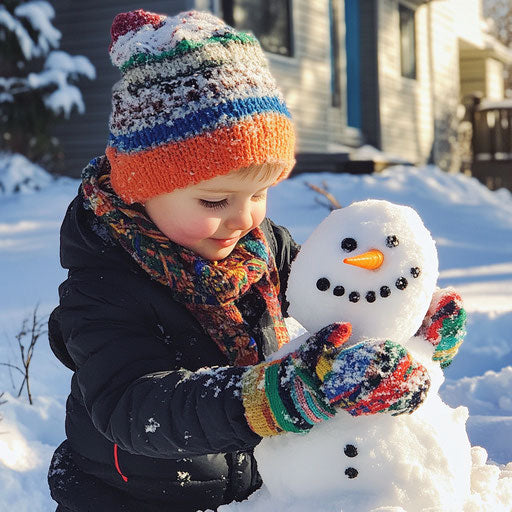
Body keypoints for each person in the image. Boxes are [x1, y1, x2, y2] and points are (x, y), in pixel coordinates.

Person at [47, 9, 438, 512]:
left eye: (261, 194)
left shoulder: (263, 246)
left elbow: (337, 298)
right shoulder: (103, 285)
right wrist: (273, 396)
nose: (244, 219)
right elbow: (132, 407)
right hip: (128, 498)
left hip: (253, 492)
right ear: (142, 189)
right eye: (215, 202)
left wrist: (412, 321)